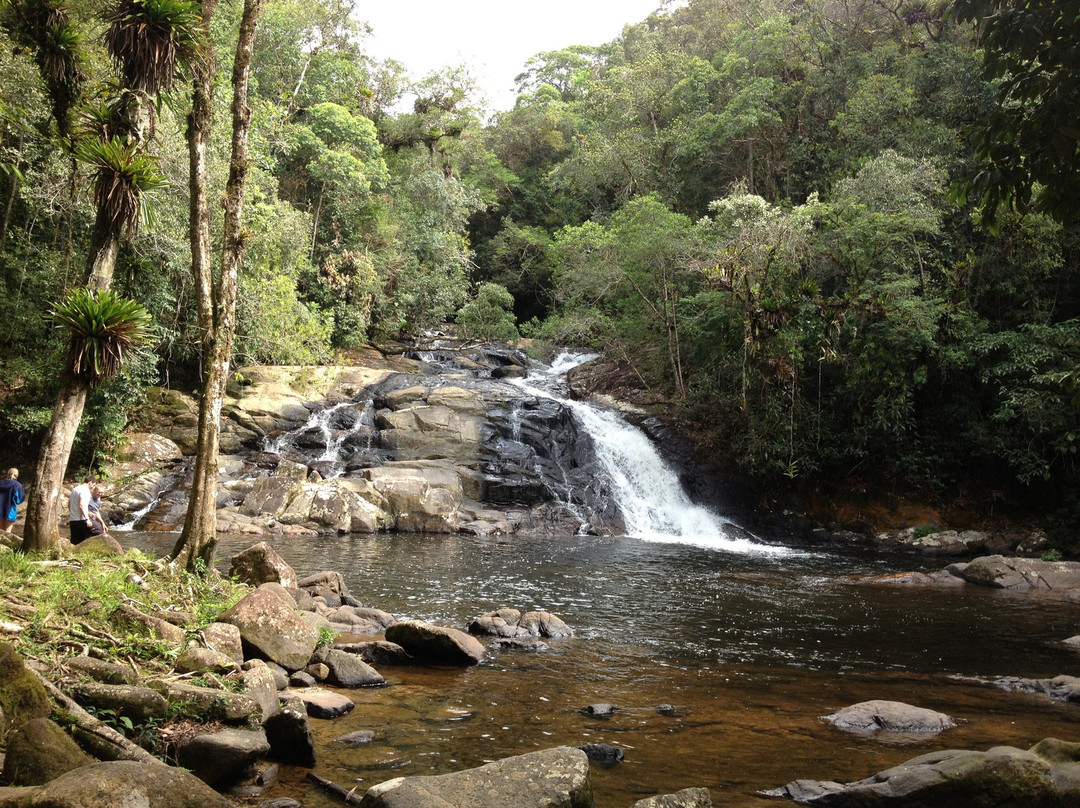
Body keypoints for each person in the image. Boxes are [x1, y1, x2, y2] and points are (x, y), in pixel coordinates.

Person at [68, 479, 96, 544]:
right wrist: (87, 519)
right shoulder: (85, 490)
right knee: (87, 542)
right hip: (82, 520)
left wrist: (88, 513)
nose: (93, 487)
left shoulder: (75, 489)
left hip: (73, 520)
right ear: (90, 483)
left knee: (75, 542)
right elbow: (81, 505)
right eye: (93, 485)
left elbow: (69, 504)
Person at [0, 468, 25, 532]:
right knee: (7, 531)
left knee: (1, 532)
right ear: (17, 475)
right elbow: (19, 499)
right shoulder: (17, 485)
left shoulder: (1, 483)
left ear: (7, 474)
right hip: (10, 511)